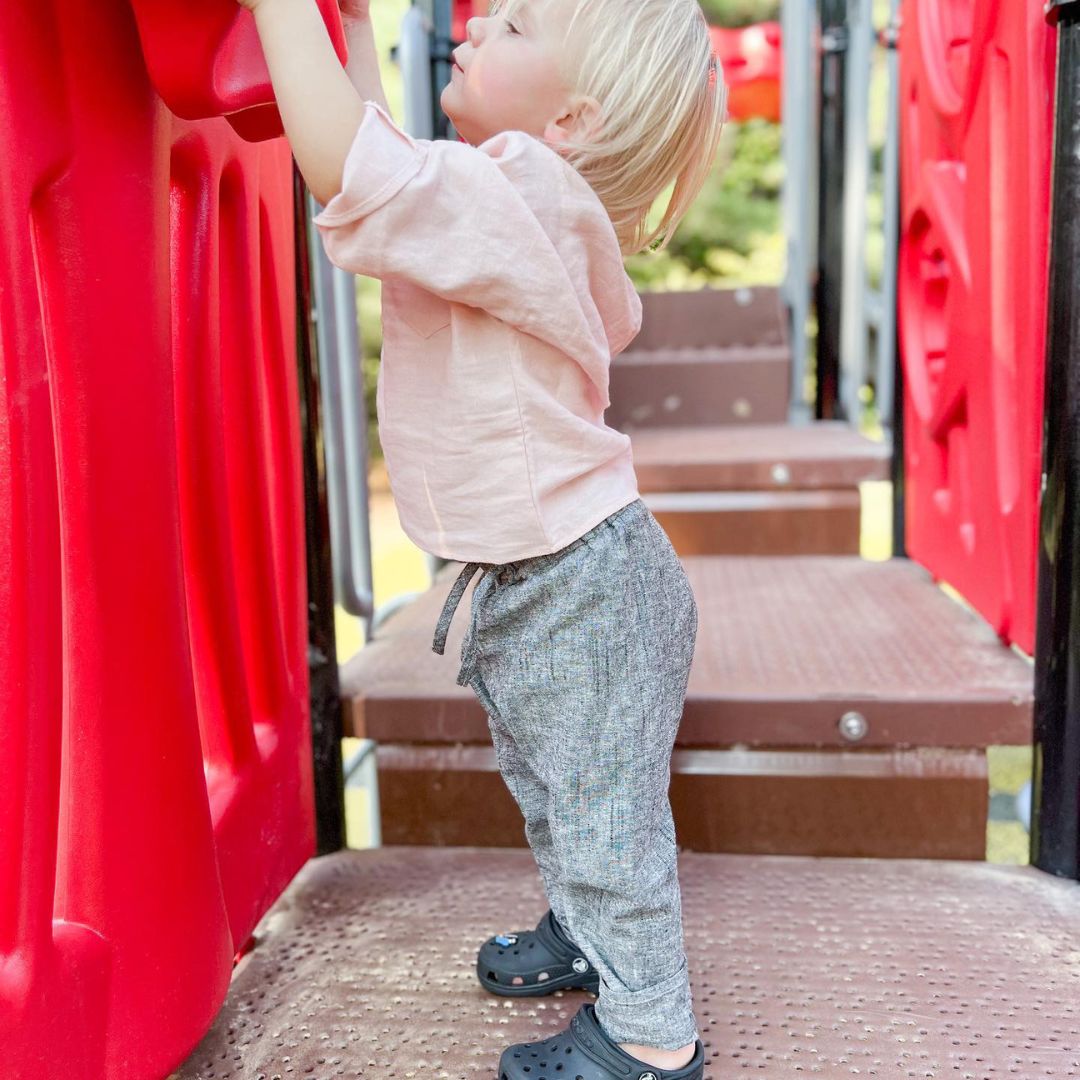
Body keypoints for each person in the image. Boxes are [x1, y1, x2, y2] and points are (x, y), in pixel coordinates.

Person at [238, 0, 726, 1075]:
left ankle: (652, 1038)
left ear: (573, 119)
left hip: (576, 580)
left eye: (512, 29)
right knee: (559, 787)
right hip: (554, 573)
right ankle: (587, 933)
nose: (474, 23)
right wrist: (350, 27)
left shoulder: (526, 186)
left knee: (604, 819)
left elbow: (347, 168)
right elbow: (383, 153)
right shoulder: (516, 203)